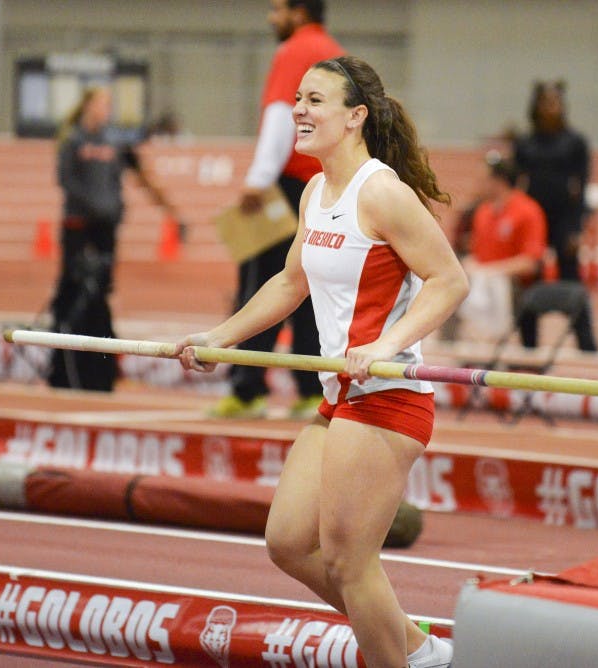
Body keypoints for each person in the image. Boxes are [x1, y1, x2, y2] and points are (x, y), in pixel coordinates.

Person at [174, 55, 468, 668]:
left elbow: (448, 281)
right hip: (340, 398)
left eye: (314, 101)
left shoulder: (383, 192)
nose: (298, 111)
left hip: (388, 398)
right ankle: (421, 650)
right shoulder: (315, 191)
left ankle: (408, 661)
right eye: (297, 100)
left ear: (355, 117)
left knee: (347, 563)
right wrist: (219, 338)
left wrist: (385, 349)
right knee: (287, 543)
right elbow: (289, 283)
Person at [211, 0, 345, 419]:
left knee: (264, 286)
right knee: (309, 288)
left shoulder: (295, 51)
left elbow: (281, 115)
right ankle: (310, 390)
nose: (272, 18)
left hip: (288, 187)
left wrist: (258, 179)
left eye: (278, 9)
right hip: (324, 184)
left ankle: (248, 390)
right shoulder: (335, 53)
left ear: (299, 13)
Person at [48, 86, 177, 391]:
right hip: (78, 227)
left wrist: (170, 210)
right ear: (87, 106)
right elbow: (65, 181)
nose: (106, 109)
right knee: (73, 290)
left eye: (109, 103)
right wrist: (97, 207)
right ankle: (65, 367)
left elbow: (141, 170)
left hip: (106, 230)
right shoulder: (73, 140)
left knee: (101, 291)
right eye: (101, 103)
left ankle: (98, 369)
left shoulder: (115, 141)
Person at [456, 152, 547, 341]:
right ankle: (459, 348)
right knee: (451, 283)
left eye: (483, 179)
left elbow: (530, 262)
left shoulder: (528, 211)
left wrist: (491, 271)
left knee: (494, 283)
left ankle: (495, 340)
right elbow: (478, 255)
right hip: (482, 279)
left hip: (516, 284)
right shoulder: (482, 212)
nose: (478, 184)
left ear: (499, 181)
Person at [514, 80, 591, 282]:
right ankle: (530, 312)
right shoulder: (525, 142)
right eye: (546, 102)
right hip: (534, 214)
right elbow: (515, 185)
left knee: (569, 271)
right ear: (536, 106)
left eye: (556, 101)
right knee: (532, 272)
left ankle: (575, 312)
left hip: (565, 214)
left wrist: (577, 228)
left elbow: (582, 186)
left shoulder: (575, 143)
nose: (551, 106)